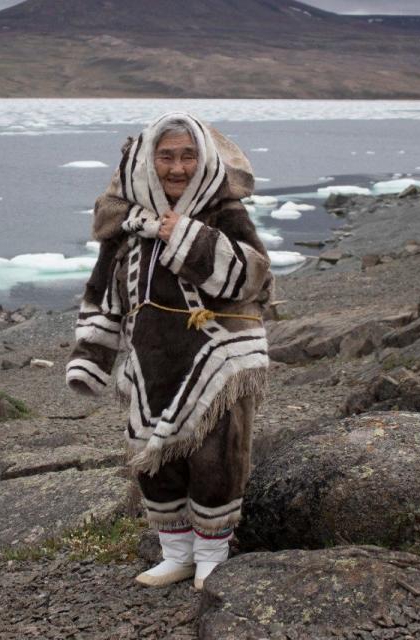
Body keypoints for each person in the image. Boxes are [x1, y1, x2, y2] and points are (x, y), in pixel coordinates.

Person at [66, 112, 272, 589]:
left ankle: (213, 555)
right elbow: (103, 293)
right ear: (147, 161)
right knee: (154, 459)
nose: (177, 168)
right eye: (166, 156)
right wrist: (91, 357)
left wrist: (183, 236)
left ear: (204, 158)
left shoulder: (224, 210)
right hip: (150, 361)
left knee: (216, 457)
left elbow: (255, 277)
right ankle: (176, 553)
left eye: (187, 155)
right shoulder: (124, 224)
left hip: (219, 357)